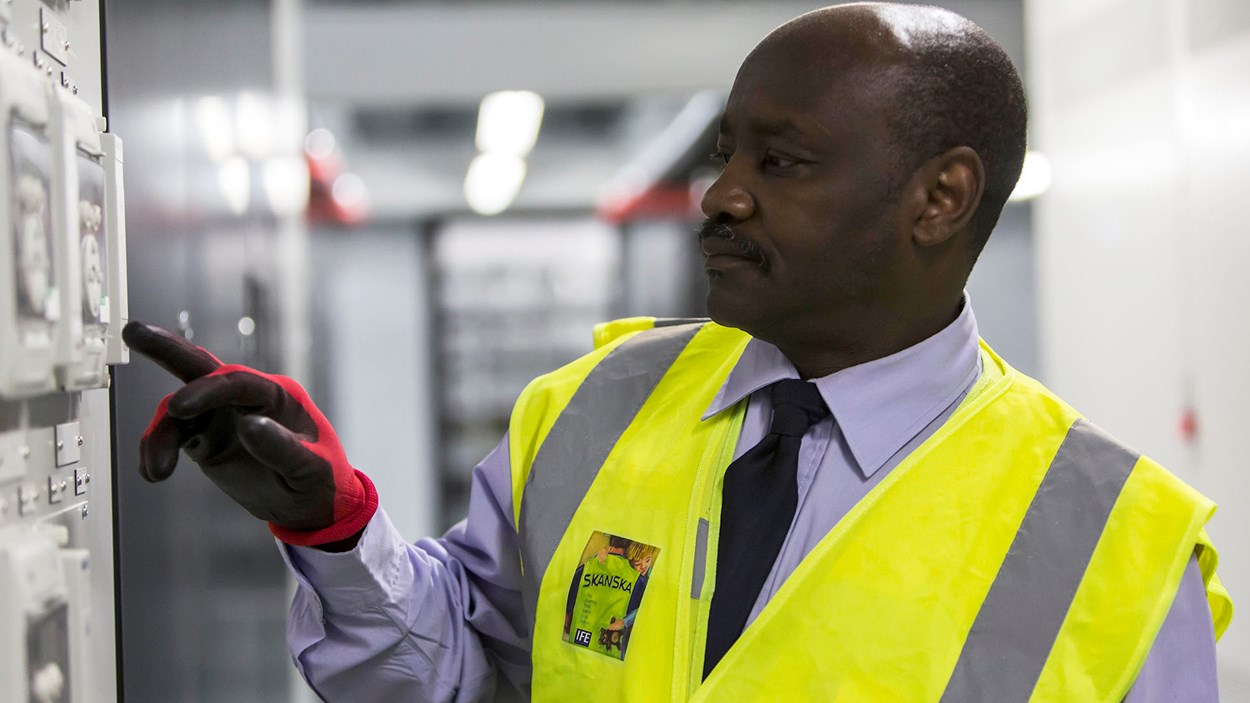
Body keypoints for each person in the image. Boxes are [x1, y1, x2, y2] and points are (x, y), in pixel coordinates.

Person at [124, 3, 1232, 701]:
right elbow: (456, 671)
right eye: (726, 149)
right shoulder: (588, 411)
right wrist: (336, 531)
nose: (722, 193)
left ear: (939, 196)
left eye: (782, 161)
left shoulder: (1108, 543)